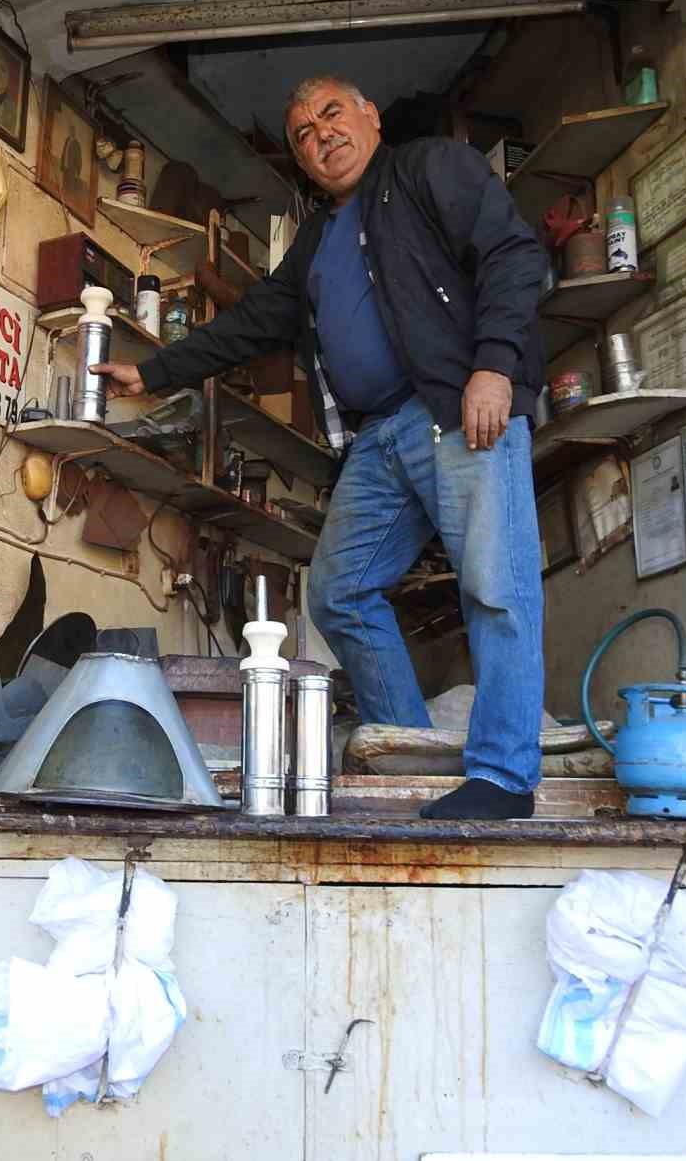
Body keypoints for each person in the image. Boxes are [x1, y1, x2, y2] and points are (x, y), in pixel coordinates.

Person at [94, 75, 548, 820]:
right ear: (300, 161)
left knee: (496, 586)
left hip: (456, 405)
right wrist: (151, 369)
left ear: (370, 113)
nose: (320, 135)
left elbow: (512, 254)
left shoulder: (429, 167)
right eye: (302, 133)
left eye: (331, 114)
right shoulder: (315, 240)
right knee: (339, 590)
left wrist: (494, 366)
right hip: (378, 435)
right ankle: (411, 745)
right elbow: (252, 324)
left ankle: (504, 778)